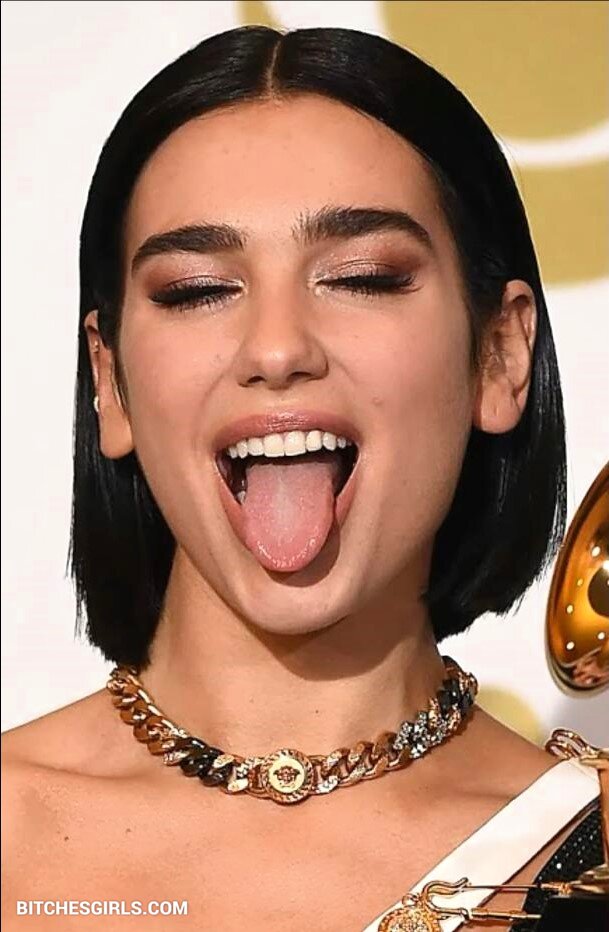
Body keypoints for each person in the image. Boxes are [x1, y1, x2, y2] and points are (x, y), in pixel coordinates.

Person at [1, 24, 602, 931]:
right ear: (109, 379)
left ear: (499, 353)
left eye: (362, 277)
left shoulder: (585, 856)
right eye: (197, 290)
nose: (276, 349)